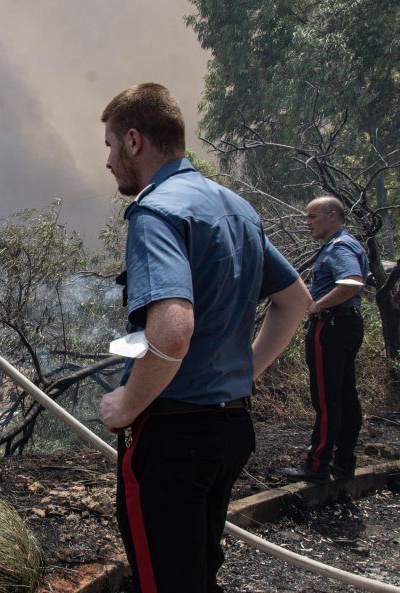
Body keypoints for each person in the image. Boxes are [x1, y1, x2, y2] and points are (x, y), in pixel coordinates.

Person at [98, 83, 311, 593]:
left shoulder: (156, 211)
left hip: (174, 436)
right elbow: (295, 300)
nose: (107, 161)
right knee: (196, 575)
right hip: (231, 429)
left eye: (108, 144)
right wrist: (243, 374)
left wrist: (128, 402)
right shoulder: (234, 206)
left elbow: (172, 331)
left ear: (133, 141)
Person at [282, 196, 368, 483]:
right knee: (345, 396)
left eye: (312, 217)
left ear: (333, 216)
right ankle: (343, 463)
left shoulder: (339, 247)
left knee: (327, 399)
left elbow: (351, 283)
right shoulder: (349, 244)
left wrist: (318, 305)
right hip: (348, 325)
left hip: (330, 327)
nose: (307, 223)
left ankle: (317, 465)